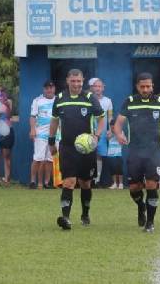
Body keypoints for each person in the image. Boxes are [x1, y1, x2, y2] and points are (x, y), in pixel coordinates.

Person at [113, 72, 160, 233]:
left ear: (152, 86)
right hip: (134, 151)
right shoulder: (129, 102)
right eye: (142, 86)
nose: (145, 89)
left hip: (156, 151)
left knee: (152, 185)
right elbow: (118, 123)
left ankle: (150, 223)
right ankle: (141, 206)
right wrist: (119, 134)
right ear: (137, 87)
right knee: (134, 187)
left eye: (148, 86)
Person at [49, 69, 105, 230]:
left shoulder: (89, 98)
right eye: (73, 81)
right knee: (69, 181)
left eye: (79, 81)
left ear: (83, 81)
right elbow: (54, 121)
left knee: (85, 183)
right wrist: (51, 142)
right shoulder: (59, 98)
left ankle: (85, 214)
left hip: (86, 149)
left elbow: (102, 118)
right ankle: (65, 218)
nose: (76, 84)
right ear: (68, 81)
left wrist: (97, 135)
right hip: (67, 147)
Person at [29, 81, 57, 189]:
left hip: (55, 134)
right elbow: (32, 116)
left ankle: (46, 182)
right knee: (38, 158)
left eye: (51, 87)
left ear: (54, 88)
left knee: (50, 159)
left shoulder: (58, 100)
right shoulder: (37, 101)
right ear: (43, 89)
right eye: (47, 88)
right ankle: (33, 181)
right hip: (41, 134)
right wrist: (32, 129)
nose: (49, 90)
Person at [89, 78, 113, 187]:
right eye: (95, 86)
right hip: (89, 132)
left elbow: (110, 117)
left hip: (102, 134)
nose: (98, 88)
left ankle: (97, 180)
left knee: (99, 156)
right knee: (89, 155)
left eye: (100, 86)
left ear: (103, 88)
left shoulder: (108, 101)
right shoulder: (87, 99)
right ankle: (89, 179)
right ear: (92, 88)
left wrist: (110, 130)